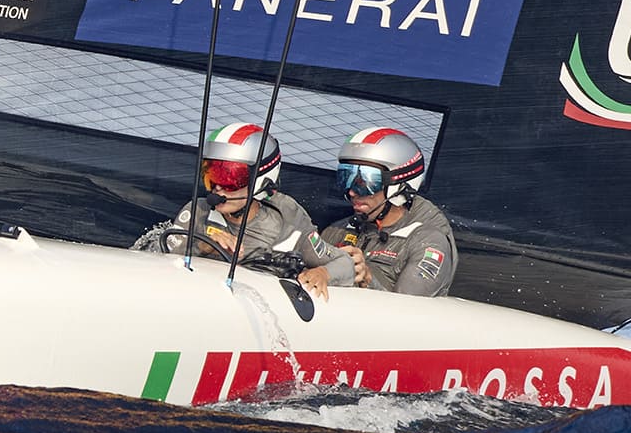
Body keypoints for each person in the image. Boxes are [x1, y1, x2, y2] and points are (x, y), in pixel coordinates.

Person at [167, 122, 354, 300]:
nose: (217, 188)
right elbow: (159, 259)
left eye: (229, 177)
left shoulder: (287, 218)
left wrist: (323, 273)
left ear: (261, 179)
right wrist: (202, 245)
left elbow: (344, 264)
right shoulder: (198, 211)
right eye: (210, 175)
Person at [321, 127, 458, 296]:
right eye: (345, 178)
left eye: (366, 181)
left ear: (399, 186)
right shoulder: (337, 231)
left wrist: (368, 279)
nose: (352, 192)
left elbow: (409, 309)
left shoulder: (429, 242)